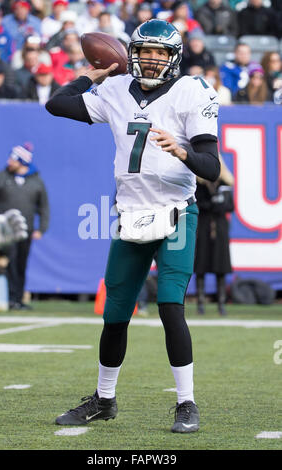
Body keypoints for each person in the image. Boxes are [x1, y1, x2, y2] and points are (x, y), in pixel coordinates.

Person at [46, 19, 220, 434]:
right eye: (145, 51)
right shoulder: (114, 90)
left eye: (161, 53)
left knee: (170, 305)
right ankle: (104, 400)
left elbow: (211, 167)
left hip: (176, 210)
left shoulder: (191, 91)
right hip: (132, 212)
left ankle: (186, 403)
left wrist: (182, 152)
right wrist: (96, 72)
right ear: (132, 53)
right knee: (115, 312)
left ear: (173, 58)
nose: (153, 59)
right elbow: (57, 103)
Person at [0, 143, 49, 310]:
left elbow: (43, 207)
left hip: (24, 231)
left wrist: (41, 228)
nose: (9, 162)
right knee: (4, 263)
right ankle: (0, 299)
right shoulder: (0, 177)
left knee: (20, 264)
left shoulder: (36, 182)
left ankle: (17, 299)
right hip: (2, 232)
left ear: (22, 162)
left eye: (13, 159)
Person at [194, 156, 234, 316]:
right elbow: (196, 203)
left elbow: (230, 206)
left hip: (220, 228)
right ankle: (200, 303)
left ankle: (221, 304)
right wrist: (211, 204)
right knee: (201, 266)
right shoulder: (199, 185)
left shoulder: (225, 185)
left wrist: (218, 205)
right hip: (203, 227)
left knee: (221, 266)